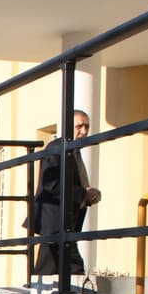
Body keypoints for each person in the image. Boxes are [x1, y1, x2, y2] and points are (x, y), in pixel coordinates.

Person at [29, 109, 102, 278]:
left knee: (48, 267)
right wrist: (83, 194)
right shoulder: (57, 148)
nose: (84, 131)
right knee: (72, 267)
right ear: (67, 126)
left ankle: (39, 290)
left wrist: (87, 195)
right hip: (54, 220)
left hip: (62, 221)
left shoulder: (73, 151)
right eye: (79, 126)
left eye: (87, 126)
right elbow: (51, 184)